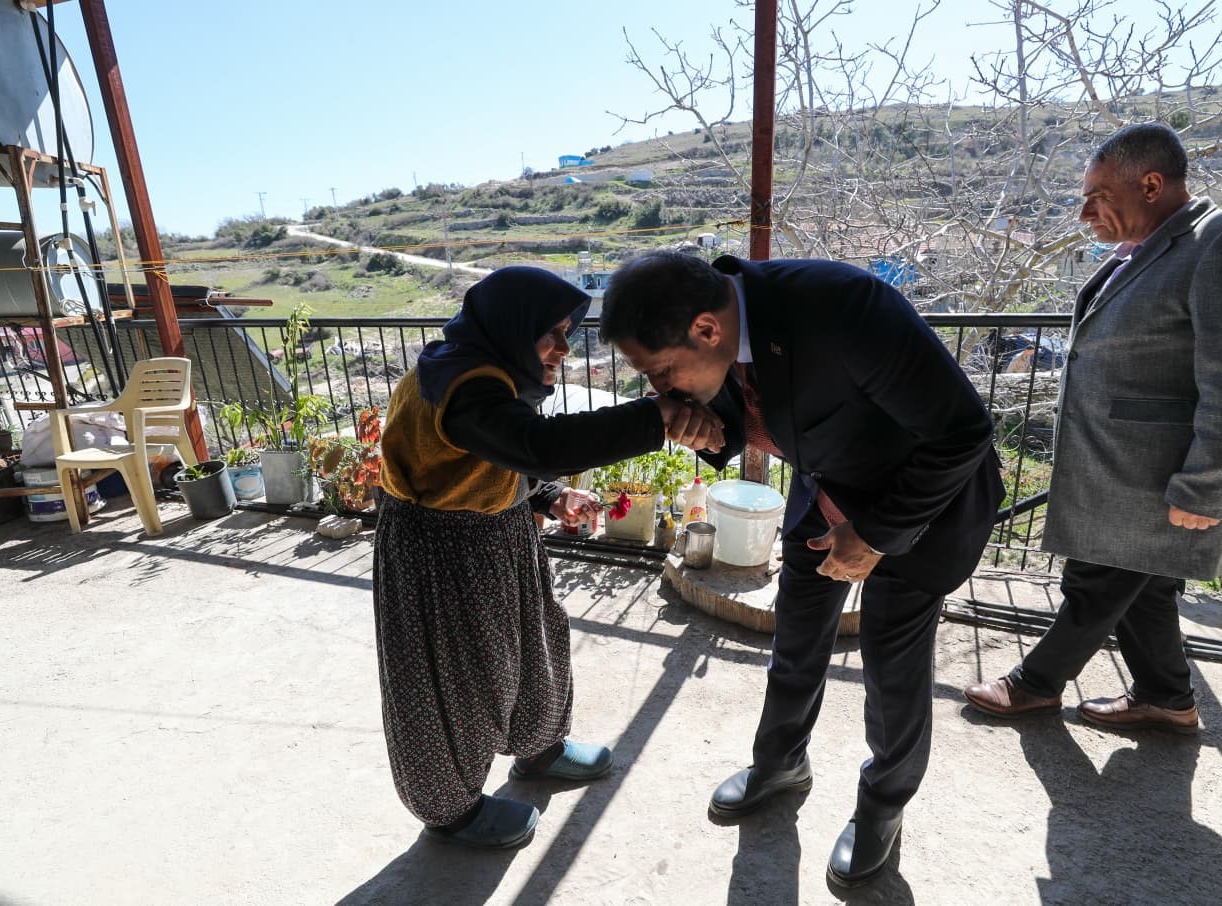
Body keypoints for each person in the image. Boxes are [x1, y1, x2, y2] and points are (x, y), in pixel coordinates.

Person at [600, 250, 1004, 887]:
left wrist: (874, 536)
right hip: (827, 488)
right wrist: (716, 433)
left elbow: (963, 433)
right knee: (795, 637)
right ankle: (780, 763)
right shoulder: (728, 326)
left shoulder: (841, 307)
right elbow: (771, 404)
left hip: (921, 507)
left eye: (662, 373)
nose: (661, 391)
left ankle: (882, 807)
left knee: (892, 670)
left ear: (706, 329)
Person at [964, 123, 1222, 733]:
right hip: (1121, 471)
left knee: (1096, 583)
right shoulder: (1148, 249)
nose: (1084, 210)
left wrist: (1207, 485)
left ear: (1151, 184)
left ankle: (1035, 684)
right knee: (1141, 589)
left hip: (1158, 475)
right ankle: (1167, 698)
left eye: (1097, 195)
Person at [373, 267, 720, 849]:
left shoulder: (495, 375)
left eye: (567, 332)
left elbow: (498, 457)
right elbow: (537, 446)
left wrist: (551, 495)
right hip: (441, 553)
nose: (562, 347)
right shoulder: (463, 382)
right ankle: (450, 809)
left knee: (536, 640)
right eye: (551, 332)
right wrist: (655, 417)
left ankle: (539, 748)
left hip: (499, 536)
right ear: (511, 327)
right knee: (453, 678)